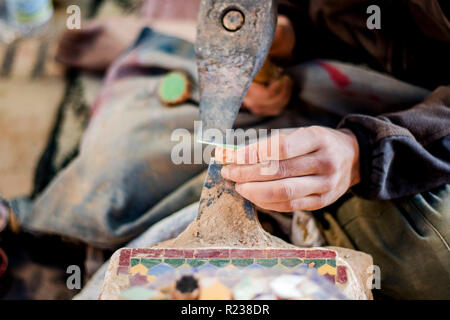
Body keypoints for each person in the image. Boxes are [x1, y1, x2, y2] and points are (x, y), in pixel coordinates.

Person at [216, 0, 450, 299]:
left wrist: (363, 152)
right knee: (203, 129)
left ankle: (320, 227)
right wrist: (284, 38)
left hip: (429, 131)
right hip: (356, 88)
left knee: (434, 248)